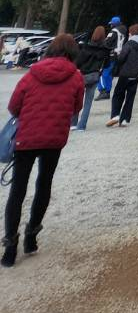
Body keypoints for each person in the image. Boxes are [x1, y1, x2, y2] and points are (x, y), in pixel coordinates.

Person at [3, 33, 84, 267]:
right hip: (54, 138)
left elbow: (14, 106)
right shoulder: (75, 77)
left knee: (17, 190)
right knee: (43, 184)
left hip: (27, 137)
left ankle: (10, 246)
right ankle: (31, 237)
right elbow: (76, 107)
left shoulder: (32, 73)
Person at [106, 24, 138, 128]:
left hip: (125, 73)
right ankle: (125, 119)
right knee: (130, 97)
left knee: (118, 95)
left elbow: (121, 58)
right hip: (136, 74)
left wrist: (118, 57)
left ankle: (115, 115)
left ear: (132, 33)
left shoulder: (129, 44)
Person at [72, 26, 111, 131]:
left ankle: (73, 123)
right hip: (94, 76)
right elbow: (107, 65)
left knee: (77, 100)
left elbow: (77, 62)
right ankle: (82, 126)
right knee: (88, 103)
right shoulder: (105, 50)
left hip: (81, 76)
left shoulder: (85, 47)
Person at [95, 16, 125, 101]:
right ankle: (107, 91)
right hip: (118, 54)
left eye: (111, 24)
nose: (110, 25)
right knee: (109, 74)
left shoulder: (114, 32)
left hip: (111, 55)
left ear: (114, 24)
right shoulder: (123, 31)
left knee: (103, 73)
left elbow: (106, 43)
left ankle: (104, 91)